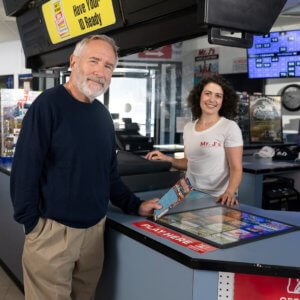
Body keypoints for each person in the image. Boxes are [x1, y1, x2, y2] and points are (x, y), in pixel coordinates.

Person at [10, 34, 161, 300]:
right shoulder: (48, 105)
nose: (100, 71)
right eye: (94, 61)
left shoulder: (102, 116)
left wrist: (135, 205)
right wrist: (32, 225)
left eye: (108, 66)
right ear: (73, 62)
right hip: (52, 233)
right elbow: (25, 171)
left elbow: (109, 175)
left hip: (94, 233)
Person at [146, 74, 243, 206]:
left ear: (223, 101)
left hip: (217, 197)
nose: (212, 99)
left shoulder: (229, 127)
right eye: (208, 93)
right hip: (188, 193)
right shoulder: (188, 128)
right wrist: (167, 159)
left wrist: (230, 192)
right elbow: (189, 163)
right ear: (199, 96)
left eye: (218, 96)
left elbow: (236, 168)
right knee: (155, 213)